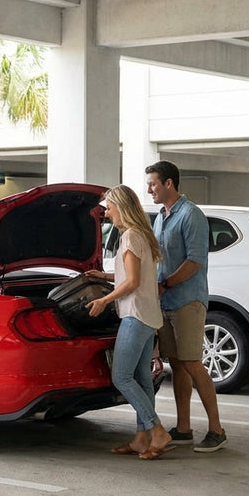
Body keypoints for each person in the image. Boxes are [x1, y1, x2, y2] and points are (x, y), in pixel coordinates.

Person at [146, 160, 228, 453]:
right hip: (166, 301)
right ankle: (183, 429)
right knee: (177, 365)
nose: (149, 189)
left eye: (153, 184)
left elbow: (195, 261)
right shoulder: (161, 216)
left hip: (187, 301)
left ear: (169, 183)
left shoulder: (191, 215)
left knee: (193, 363)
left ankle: (217, 431)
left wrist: (165, 284)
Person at [85, 184, 173, 460]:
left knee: (121, 376)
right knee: (141, 377)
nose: (107, 214)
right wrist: (104, 276)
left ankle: (157, 430)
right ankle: (141, 438)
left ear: (121, 207)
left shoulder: (130, 237)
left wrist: (104, 300)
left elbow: (133, 283)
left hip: (135, 315)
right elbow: (137, 277)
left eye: (109, 208)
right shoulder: (140, 235)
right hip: (149, 315)